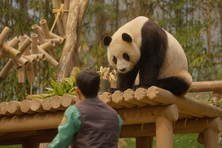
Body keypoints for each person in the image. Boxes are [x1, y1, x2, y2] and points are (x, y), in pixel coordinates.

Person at [47, 69, 123, 148]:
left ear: (77, 90)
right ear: (99, 89)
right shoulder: (115, 116)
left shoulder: (74, 112)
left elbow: (61, 143)